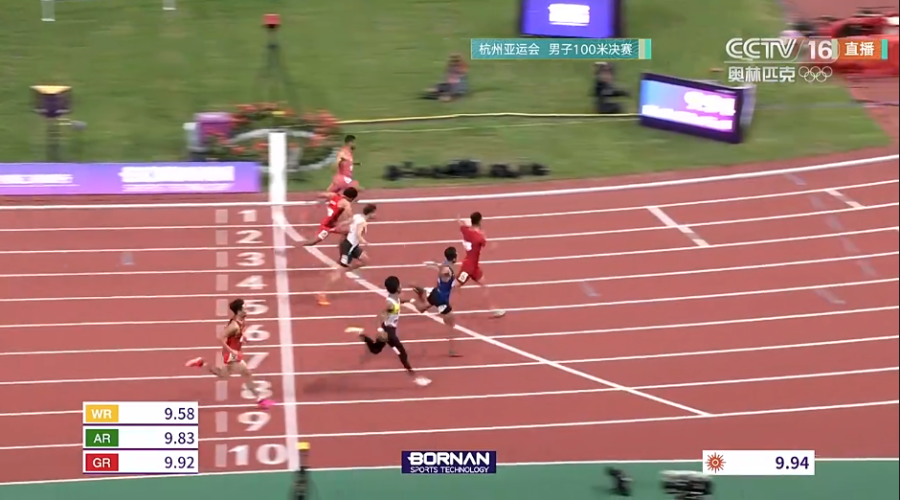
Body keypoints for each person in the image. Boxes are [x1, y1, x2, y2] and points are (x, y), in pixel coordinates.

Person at [185, 299, 274, 410]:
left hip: (235, 352)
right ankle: (260, 400)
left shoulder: (241, 320)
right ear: (239, 311)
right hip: (231, 354)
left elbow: (238, 333)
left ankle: (201, 363)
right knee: (246, 373)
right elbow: (220, 337)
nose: (247, 309)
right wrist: (232, 351)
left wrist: (243, 337)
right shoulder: (234, 326)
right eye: (244, 307)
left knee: (223, 375)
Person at [350, 276, 431, 387]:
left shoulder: (395, 297)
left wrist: (411, 300)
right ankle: (414, 376)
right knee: (402, 352)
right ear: (398, 288)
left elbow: (400, 301)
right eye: (400, 285)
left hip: (387, 328)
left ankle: (361, 334)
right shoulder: (390, 304)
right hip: (388, 332)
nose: (401, 286)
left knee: (375, 349)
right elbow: (380, 316)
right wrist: (380, 330)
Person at [316, 204, 377, 306]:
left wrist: (339, 225)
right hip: (348, 247)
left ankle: (345, 269)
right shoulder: (362, 221)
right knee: (338, 274)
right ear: (370, 213)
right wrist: (365, 242)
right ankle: (321, 294)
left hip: (353, 246)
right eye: (374, 213)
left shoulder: (358, 216)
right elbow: (358, 234)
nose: (376, 215)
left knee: (365, 260)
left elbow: (347, 221)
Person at [411, 246, 461, 357]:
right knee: (451, 323)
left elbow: (442, 271)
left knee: (421, 309)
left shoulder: (445, 265)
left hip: (435, 293)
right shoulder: (446, 269)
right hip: (441, 299)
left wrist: (434, 266)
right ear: (453, 258)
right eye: (457, 255)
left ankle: (413, 299)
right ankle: (452, 350)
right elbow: (444, 274)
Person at [457, 212, 505, 318]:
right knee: (455, 286)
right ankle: (434, 295)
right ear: (480, 221)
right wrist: (493, 245)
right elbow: (488, 248)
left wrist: (462, 221)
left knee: (484, 285)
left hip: (474, 267)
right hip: (468, 268)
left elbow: (461, 223)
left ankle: (493, 309)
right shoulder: (479, 237)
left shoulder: (465, 230)